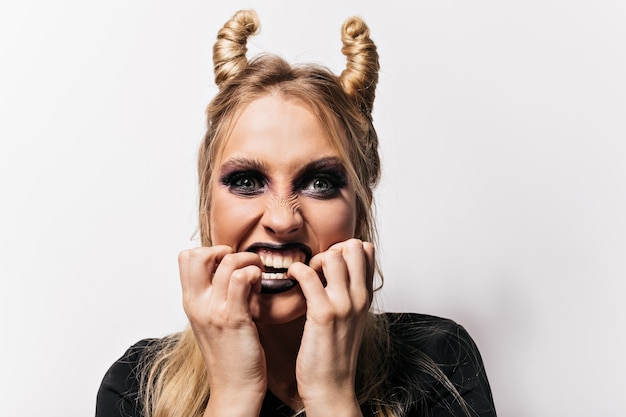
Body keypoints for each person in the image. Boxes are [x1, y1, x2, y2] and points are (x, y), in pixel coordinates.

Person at [96, 9, 497, 417]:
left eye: (319, 183)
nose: (282, 220)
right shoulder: (135, 387)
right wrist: (234, 394)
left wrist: (330, 393)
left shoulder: (441, 359)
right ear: (208, 205)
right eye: (247, 181)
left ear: (359, 210)